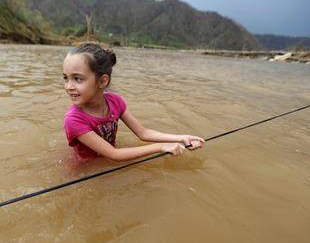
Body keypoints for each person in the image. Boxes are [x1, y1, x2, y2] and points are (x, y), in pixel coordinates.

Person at [63, 43, 204, 161]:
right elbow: (115, 154)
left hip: (107, 157)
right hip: (85, 168)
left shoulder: (115, 101)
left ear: (102, 81)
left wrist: (181, 138)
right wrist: (162, 146)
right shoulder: (74, 120)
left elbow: (143, 133)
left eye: (77, 79)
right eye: (66, 78)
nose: (68, 86)